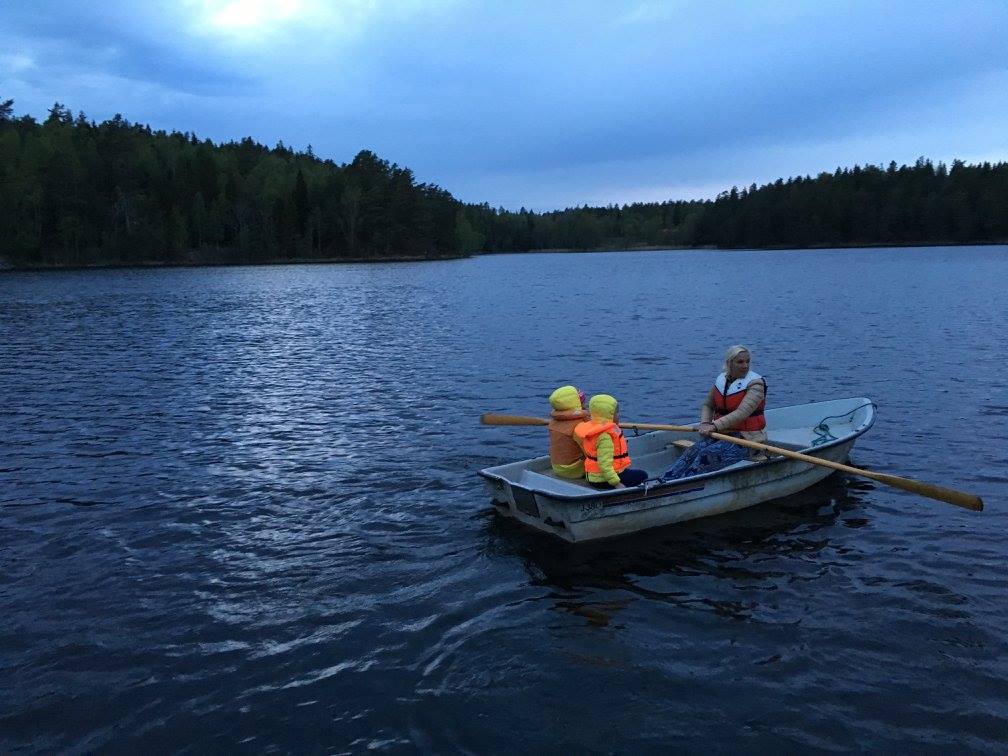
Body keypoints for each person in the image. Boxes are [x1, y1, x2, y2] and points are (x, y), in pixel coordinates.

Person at [663, 345, 768, 480]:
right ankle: (665, 481)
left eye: (747, 361)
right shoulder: (722, 380)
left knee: (707, 455)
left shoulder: (756, 385)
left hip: (748, 440)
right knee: (692, 451)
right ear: (729, 363)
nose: (745, 365)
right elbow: (708, 404)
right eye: (740, 362)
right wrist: (705, 423)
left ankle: (680, 484)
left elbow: (742, 413)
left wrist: (713, 426)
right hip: (723, 433)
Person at [574, 394, 649, 489]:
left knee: (631, 473)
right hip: (602, 480)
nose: (619, 415)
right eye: (616, 413)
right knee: (643, 475)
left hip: (594, 476)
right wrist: (616, 483)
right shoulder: (605, 436)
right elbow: (604, 465)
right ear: (608, 416)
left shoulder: (594, 427)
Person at [547, 385, 590, 478]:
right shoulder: (579, 425)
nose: (584, 404)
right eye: (582, 401)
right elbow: (589, 452)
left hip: (557, 467)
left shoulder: (554, 421)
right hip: (573, 470)